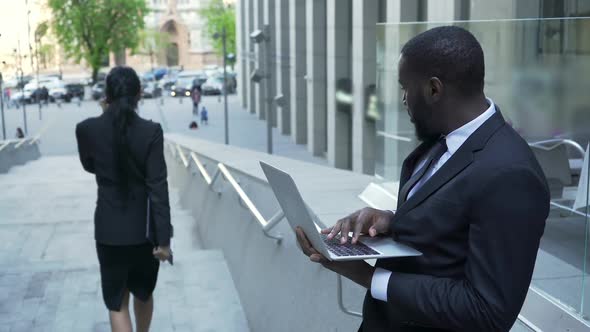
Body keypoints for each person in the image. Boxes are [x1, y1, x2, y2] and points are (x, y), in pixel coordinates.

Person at [295, 26, 550, 331]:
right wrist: (390, 221)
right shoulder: (440, 141)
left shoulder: (511, 174)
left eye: (405, 87)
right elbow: (448, 224)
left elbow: (487, 311)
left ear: (433, 89)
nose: (403, 99)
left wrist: (366, 276)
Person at [75, 66, 173, 332]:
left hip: (108, 232)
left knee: (117, 302)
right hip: (145, 233)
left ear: (106, 96)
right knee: (144, 293)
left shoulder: (86, 129)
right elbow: (158, 187)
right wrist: (164, 239)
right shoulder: (151, 131)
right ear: (139, 94)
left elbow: (90, 165)